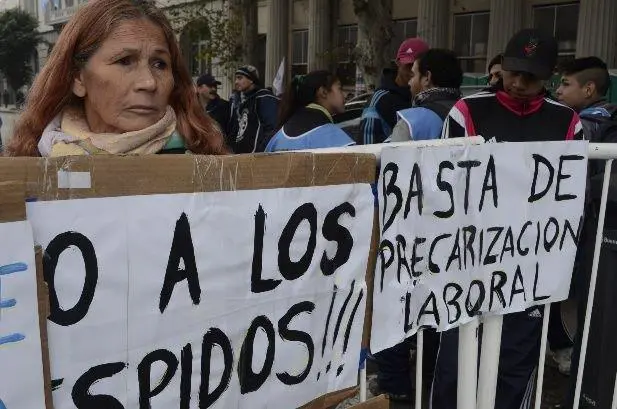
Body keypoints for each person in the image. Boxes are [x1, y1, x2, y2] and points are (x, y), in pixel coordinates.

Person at [435, 28, 583, 409]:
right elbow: (441, 185)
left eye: (530, 76)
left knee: (516, 362)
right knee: (456, 361)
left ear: (548, 76)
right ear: (500, 66)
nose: (517, 82)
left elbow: (570, 198)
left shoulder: (566, 122)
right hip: (466, 263)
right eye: (512, 71)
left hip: (529, 267)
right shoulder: (467, 111)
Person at [6, 0, 225, 157]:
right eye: (125, 61)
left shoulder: (204, 161)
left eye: (160, 64)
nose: (149, 82)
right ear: (77, 78)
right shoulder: (30, 163)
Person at [556, 57, 617, 409]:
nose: (558, 91)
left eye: (565, 84)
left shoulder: (584, 125)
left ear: (589, 89)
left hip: (587, 232)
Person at [360, 37, 429, 144]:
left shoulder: (429, 99)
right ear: (398, 63)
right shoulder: (380, 100)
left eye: (418, 67)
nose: (413, 71)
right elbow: (365, 147)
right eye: (409, 65)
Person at [265, 70, 354, 152]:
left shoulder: (277, 139)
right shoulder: (337, 140)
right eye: (340, 88)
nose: (345, 95)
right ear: (323, 92)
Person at [389, 49, 463, 142]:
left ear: (427, 77)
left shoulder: (410, 123)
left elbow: (395, 155)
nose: (409, 82)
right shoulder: (471, 113)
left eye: (413, 76)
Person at [228, 65, 279, 153]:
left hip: (256, 158)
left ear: (251, 79)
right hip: (240, 158)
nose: (236, 82)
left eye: (240, 78)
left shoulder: (264, 97)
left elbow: (272, 128)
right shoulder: (243, 102)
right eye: (236, 79)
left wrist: (261, 151)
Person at [196, 73, 231, 142]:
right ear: (199, 88)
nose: (214, 89)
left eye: (215, 86)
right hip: (195, 150)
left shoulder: (225, 106)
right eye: (210, 86)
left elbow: (231, 132)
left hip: (219, 149)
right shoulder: (190, 107)